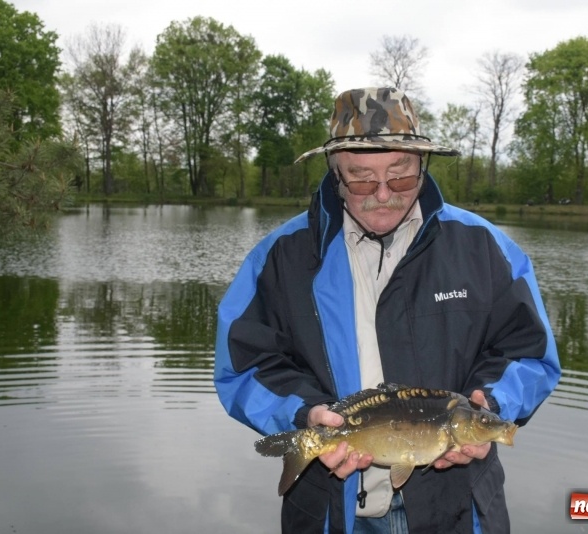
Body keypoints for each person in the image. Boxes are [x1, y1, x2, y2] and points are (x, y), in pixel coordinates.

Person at [214, 87, 561, 534]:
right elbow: (244, 367)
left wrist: (489, 405)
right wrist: (304, 415)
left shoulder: (485, 248)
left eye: (399, 175)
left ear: (423, 166)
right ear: (334, 174)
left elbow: (529, 354)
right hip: (327, 511)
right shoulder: (278, 258)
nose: (383, 194)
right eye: (361, 178)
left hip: (458, 507)